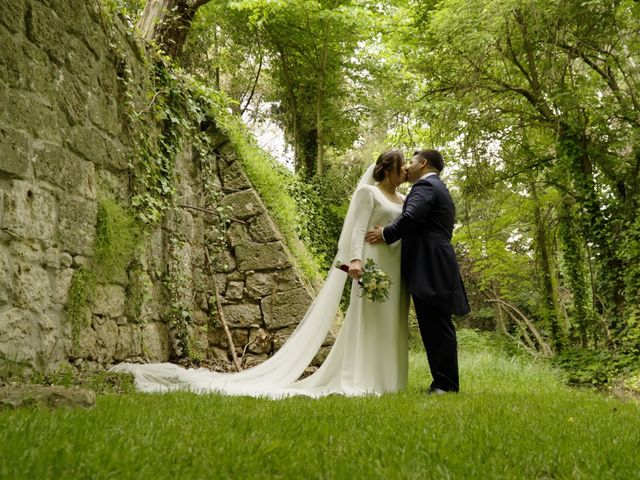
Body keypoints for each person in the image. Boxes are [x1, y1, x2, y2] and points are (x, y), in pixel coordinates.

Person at [112, 150, 410, 398]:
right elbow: (357, 228)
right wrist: (355, 260)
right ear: (387, 169)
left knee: (390, 321)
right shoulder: (367, 193)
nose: (405, 170)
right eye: (401, 166)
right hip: (372, 264)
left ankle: (388, 380)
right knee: (370, 321)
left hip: (396, 265)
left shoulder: (402, 198)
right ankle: (362, 379)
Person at [366, 149, 470, 394]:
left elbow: (412, 216)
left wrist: (385, 233)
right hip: (436, 261)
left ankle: (444, 385)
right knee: (437, 323)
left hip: (429, 263)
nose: (407, 168)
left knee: (435, 324)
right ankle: (445, 383)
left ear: (423, 164)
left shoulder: (424, 188)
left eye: (411, 163)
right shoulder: (437, 187)